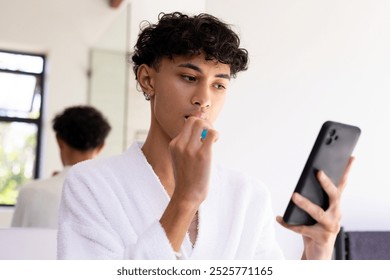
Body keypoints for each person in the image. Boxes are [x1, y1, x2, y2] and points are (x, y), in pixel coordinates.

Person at [57, 12, 354, 259]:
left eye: (219, 85)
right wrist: (185, 200)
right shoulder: (91, 185)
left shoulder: (248, 195)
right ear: (147, 79)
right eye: (189, 78)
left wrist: (317, 253)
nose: (204, 99)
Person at [11, 105, 111, 228]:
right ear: (101, 146)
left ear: (59, 140)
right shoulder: (110, 194)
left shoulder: (30, 192)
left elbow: (15, 243)